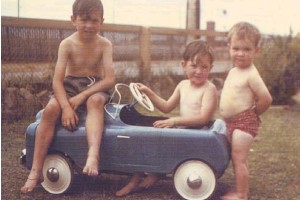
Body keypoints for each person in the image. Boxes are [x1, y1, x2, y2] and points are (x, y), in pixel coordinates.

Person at [21, 0, 115, 193]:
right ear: (74, 20)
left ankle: (93, 155)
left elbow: (109, 80)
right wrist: (65, 107)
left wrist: (82, 97)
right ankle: (36, 170)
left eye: (94, 21)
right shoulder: (67, 44)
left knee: (95, 101)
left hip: (94, 86)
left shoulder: (105, 44)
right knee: (50, 110)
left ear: (102, 21)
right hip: (69, 86)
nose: (89, 25)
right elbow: (57, 81)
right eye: (84, 20)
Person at [115, 40, 218, 197]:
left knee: (156, 138)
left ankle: (154, 173)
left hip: (197, 135)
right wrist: (149, 92)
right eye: (194, 66)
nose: (199, 71)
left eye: (204, 67)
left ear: (211, 68)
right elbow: (166, 106)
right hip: (183, 132)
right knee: (145, 135)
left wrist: (174, 121)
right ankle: (136, 177)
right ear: (183, 65)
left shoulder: (209, 89)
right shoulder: (183, 85)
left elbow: (203, 118)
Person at [219, 22, 272, 200]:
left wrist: (253, 114)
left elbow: (266, 98)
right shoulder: (234, 71)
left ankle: (241, 194)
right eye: (236, 48)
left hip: (244, 122)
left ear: (256, 51)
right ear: (229, 48)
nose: (240, 53)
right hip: (232, 122)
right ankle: (240, 189)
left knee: (238, 159)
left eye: (247, 49)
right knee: (235, 158)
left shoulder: (251, 73)